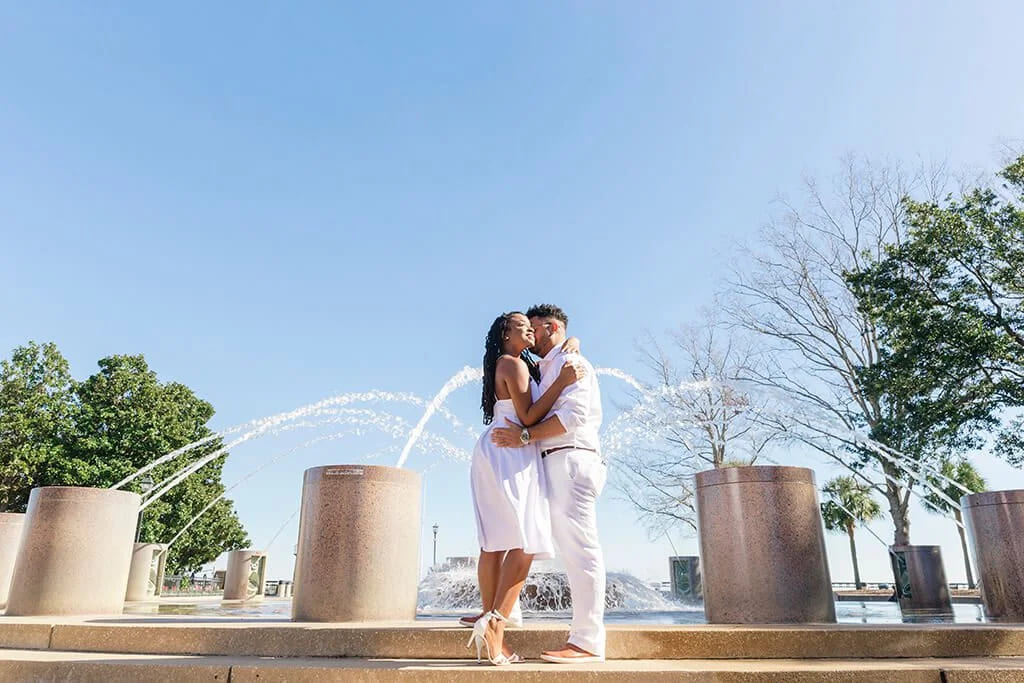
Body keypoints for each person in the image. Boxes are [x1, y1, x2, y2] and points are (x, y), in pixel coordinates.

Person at [467, 311, 584, 665]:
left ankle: (491, 628)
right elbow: (530, 416)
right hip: (512, 451)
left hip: (495, 449)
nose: (530, 329)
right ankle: (496, 624)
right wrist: (563, 381)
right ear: (506, 333)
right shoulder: (513, 364)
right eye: (522, 325)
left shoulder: (512, 363)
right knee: (525, 540)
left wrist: (573, 344)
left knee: (494, 543)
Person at [491, 303, 606, 663]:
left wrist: (524, 437)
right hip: (547, 462)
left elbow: (572, 417)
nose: (529, 337)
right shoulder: (545, 366)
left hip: (570, 459)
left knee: (579, 548)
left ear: (551, 327)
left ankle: (587, 641)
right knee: (528, 535)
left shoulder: (574, 364)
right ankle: (502, 614)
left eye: (535, 330)